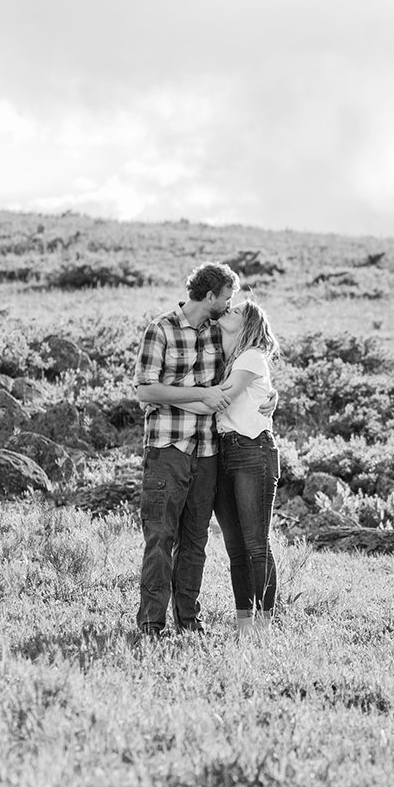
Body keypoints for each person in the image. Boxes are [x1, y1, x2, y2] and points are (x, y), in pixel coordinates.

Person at [132, 262, 241, 638]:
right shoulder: (160, 329)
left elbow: (238, 376)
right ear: (209, 296)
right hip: (167, 450)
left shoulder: (218, 333)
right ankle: (151, 624)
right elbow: (146, 390)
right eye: (226, 297)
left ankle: (189, 622)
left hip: (208, 451)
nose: (230, 304)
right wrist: (199, 395)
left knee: (195, 541)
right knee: (160, 538)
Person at [208, 300, 282, 636]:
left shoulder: (252, 357)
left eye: (236, 311)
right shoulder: (227, 359)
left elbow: (224, 397)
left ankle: (264, 625)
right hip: (223, 451)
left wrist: (167, 395)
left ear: (248, 324)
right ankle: (243, 625)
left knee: (255, 543)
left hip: (252, 450)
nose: (228, 311)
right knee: (235, 547)